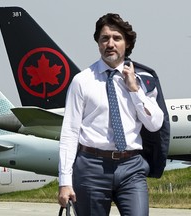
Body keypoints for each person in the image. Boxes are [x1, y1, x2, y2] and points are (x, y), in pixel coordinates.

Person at [58, 13, 164, 216]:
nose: (110, 44)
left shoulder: (144, 80)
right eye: (104, 38)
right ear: (98, 43)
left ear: (127, 43)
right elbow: (69, 133)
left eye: (117, 38)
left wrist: (135, 90)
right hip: (91, 167)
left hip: (131, 167)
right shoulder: (82, 81)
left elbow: (155, 124)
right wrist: (65, 182)